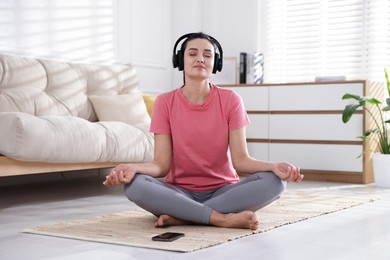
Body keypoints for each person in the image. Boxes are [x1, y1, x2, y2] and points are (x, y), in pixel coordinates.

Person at [103, 32, 303, 230]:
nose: (201, 58)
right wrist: (133, 168)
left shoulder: (231, 100)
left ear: (215, 63)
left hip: (224, 192)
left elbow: (241, 160)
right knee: (135, 185)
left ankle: (183, 216)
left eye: (208, 55)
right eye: (193, 53)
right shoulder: (165, 102)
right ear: (180, 59)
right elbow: (161, 165)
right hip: (178, 192)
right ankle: (221, 218)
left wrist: (274, 166)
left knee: (276, 183)